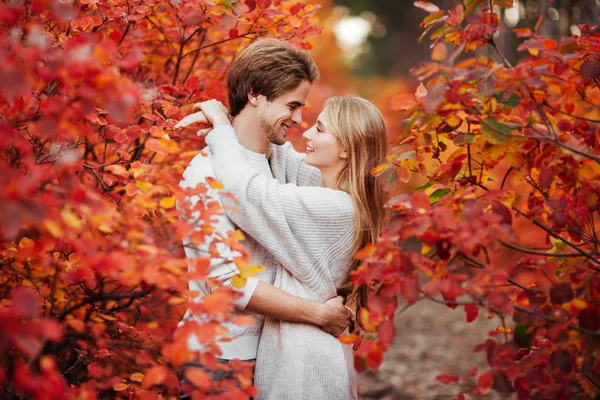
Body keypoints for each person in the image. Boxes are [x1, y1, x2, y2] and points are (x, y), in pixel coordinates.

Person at [175, 39, 353, 397]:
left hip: (276, 356)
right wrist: (320, 314)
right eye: (292, 105)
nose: (300, 119)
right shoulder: (204, 173)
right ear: (256, 94)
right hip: (220, 362)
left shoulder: (286, 163)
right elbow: (228, 282)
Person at [190, 96, 389, 399]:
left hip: (304, 362)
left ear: (346, 149)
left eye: (320, 130)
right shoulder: (334, 193)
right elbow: (279, 152)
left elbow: (247, 192)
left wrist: (221, 128)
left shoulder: (333, 207)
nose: (306, 133)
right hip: (307, 351)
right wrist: (253, 117)